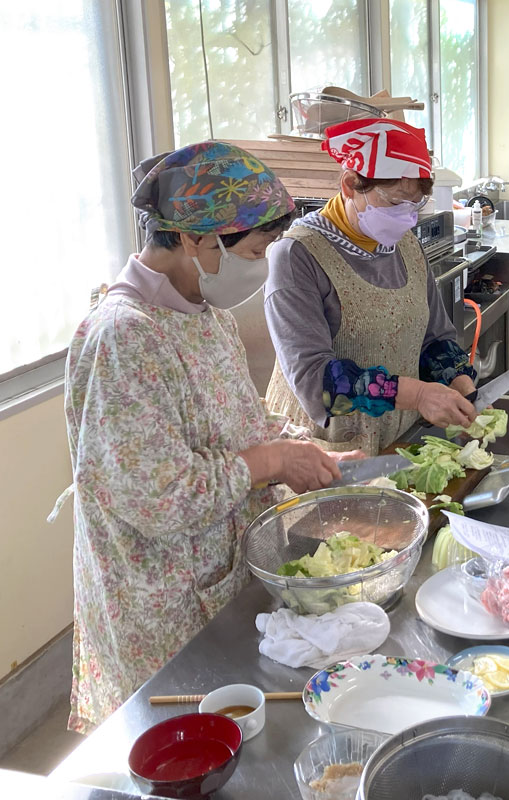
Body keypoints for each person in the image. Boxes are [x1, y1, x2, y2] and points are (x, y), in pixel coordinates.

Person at [63, 142, 345, 733]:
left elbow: (238, 421)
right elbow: (158, 498)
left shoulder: (204, 315)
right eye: (254, 249)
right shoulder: (125, 337)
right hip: (163, 604)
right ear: (194, 238)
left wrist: (303, 449)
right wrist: (271, 460)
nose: (263, 263)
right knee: (176, 748)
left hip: (220, 576)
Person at [265, 118, 477, 455]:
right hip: (328, 446)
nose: (407, 218)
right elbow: (315, 381)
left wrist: (463, 388)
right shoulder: (298, 256)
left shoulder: (405, 245)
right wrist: (419, 395)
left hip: (398, 438)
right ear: (350, 184)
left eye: (416, 205)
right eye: (395, 203)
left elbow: (434, 338)